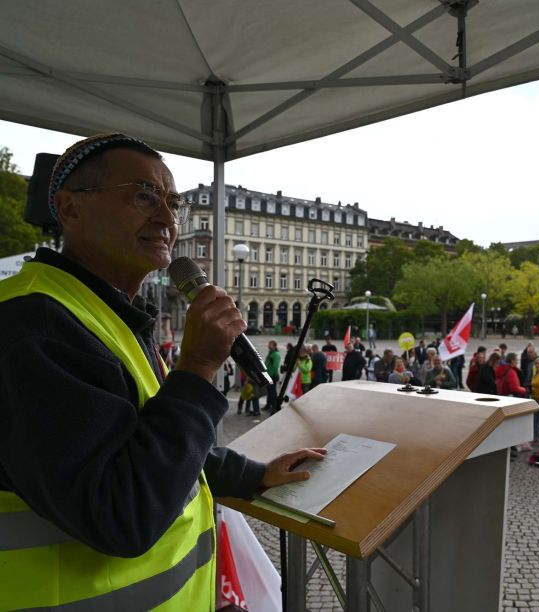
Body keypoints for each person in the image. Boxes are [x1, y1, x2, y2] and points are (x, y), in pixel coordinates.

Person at [0, 133, 325, 610]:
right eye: (142, 196)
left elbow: (140, 437)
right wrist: (197, 367)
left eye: (173, 204)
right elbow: (121, 513)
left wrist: (252, 475)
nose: (167, 218)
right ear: (70, 209)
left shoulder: (107, 313)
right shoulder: (33, 325)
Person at [263, 339, 281, 414]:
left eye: (270, 344)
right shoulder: (271, 353)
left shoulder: (276, 354)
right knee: (269, 391)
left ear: (274, 346)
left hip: (272, 376)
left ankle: (274, 407)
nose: (268, 346)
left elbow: (275, 367)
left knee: (272, 391)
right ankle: (268, 405)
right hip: (268, 375)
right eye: (268, 344)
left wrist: (269, 375)